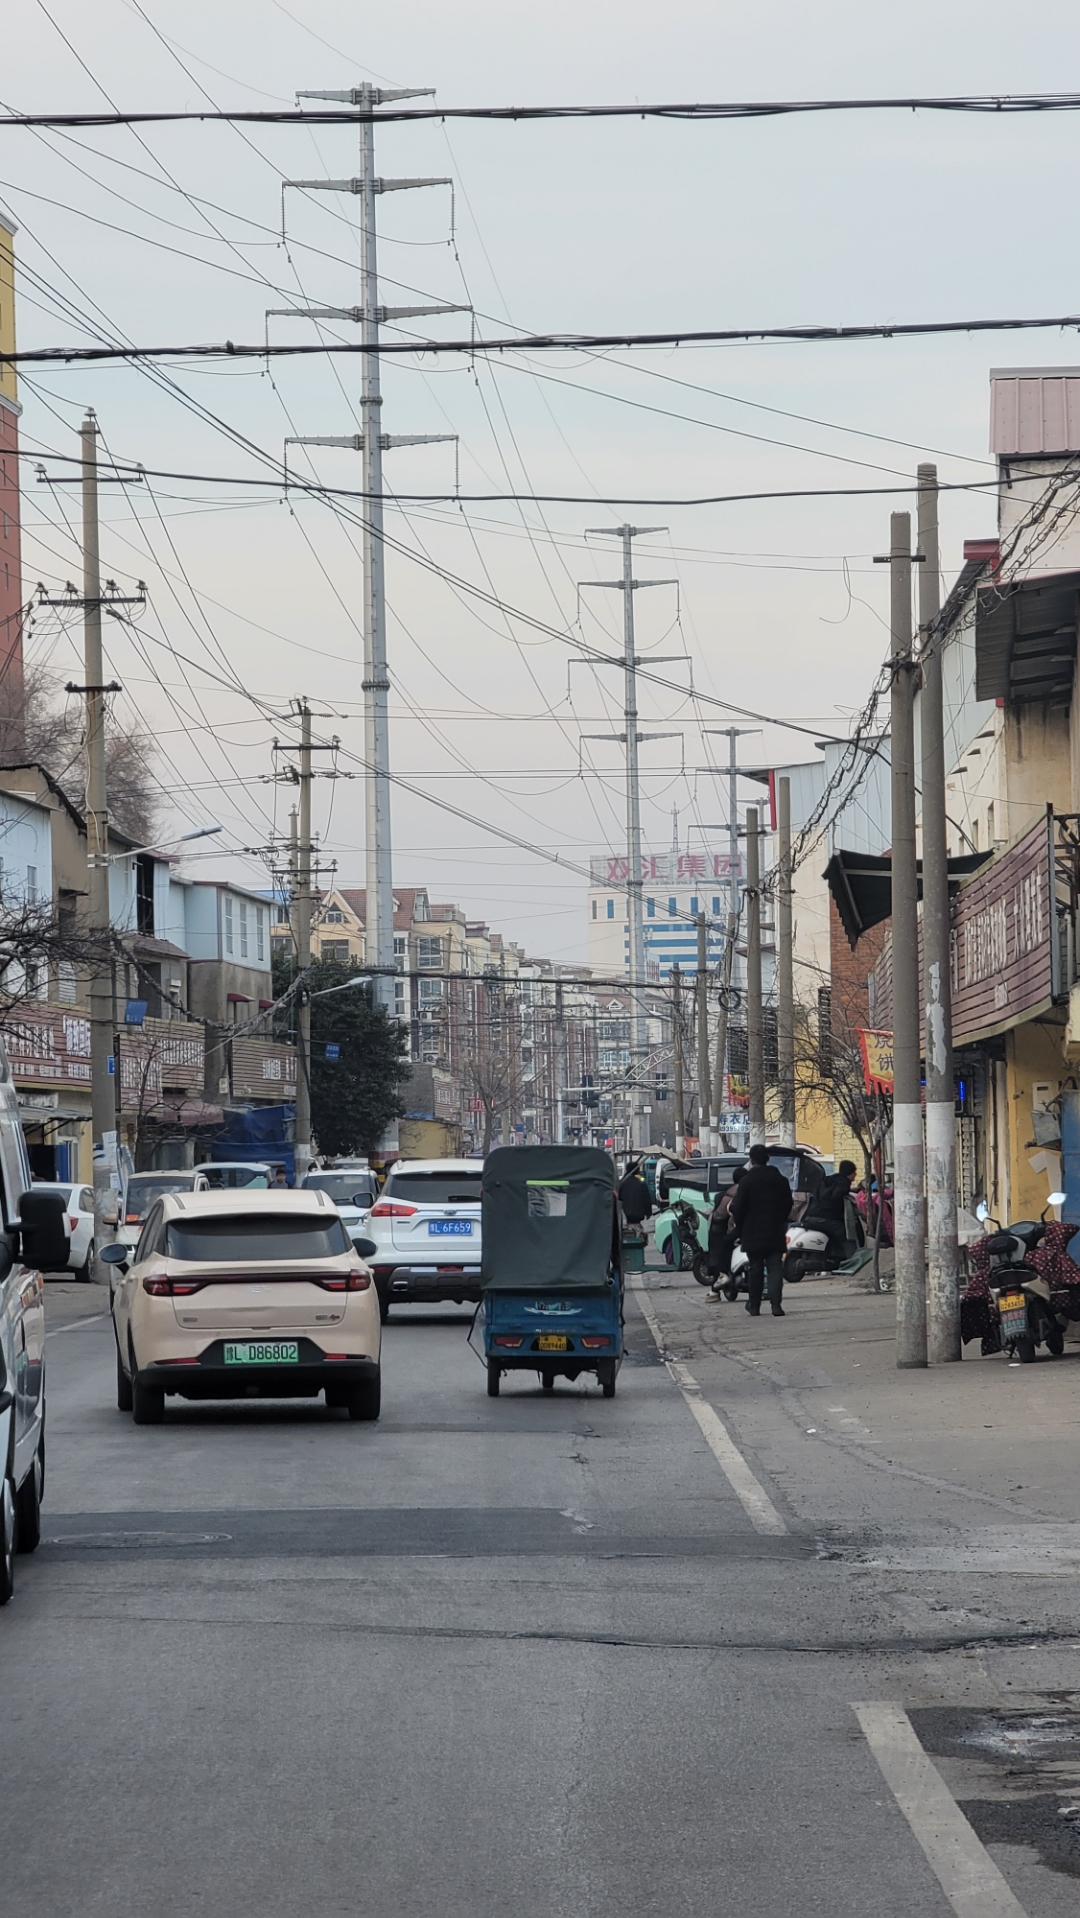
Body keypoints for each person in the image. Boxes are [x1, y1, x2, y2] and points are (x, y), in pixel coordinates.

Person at [730, 1143, 793, 1317]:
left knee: (755, 1268)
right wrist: (781, 1220)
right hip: (775, 1231)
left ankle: (755, 1306)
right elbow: (788, 1203)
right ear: (768, 1159)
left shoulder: (747, 1181)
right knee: (775, 1268)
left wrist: (741, 1228)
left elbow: (739, 1208)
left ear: (751, 1160)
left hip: (752, 1232)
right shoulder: (780, 1179)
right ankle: (776, 1306)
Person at [704, 1166, 746, 1301]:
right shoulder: (756, 1190)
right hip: (753, 1231)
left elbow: (718, 1216)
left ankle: (715, 1291)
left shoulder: (729, 1194)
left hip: (732, 1233)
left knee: (718, 1253)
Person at [805, 1160, 857, 1251]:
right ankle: (854, 1260)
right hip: (828, 1218)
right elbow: (837, 1197)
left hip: (811, 1216)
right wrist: (838, 1214)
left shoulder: (827, 1181)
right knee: (848, 1238)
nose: (855, 1175)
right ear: (849, 1172)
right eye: (854, 1172)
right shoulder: (843, 1182)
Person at [618, 1161, 652, 1227]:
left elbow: (619, 1196)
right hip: (639, 1212)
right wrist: (648, 1213)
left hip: (627, 1212)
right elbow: (647, 1198)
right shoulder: (641, 1180)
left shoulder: (623, 1181)